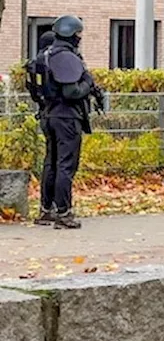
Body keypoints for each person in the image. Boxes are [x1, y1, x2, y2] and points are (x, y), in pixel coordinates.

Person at [40, 15, 103, 230]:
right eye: (78, 34)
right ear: (70, 34)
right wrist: (87, 83)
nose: (79, 38)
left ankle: (46, 210)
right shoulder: (66, 57)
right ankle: (64, 213)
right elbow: (71, 91)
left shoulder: (47, 54)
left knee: (51, 164)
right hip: (66, 117)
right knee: (66, 165)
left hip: (48, 115)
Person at [25, 31, 56, 224]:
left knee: (49, 159)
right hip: (59, 112)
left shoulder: (33, 65)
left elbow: (34, 91)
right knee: (61, 162)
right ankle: (57, 206)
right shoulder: (52, 63)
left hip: (44, 112)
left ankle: (45, 206)